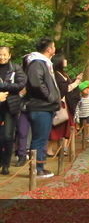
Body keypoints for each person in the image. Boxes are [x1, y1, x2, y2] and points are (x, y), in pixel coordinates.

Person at [23, 38, 60, 178]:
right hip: (40, 107)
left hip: (44, 107)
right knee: (39, 139)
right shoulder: (37, 63)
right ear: (49, 49)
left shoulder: (44, 63)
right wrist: (50, 97)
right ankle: (37, 169)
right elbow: (36, 83)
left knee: (42, 138)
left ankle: (39, 166)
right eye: (54, 46)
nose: (55, 49)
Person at [0, 45, 27, 175]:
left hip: (10, 107)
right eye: (0, 54)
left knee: (8, 136)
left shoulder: (16, 68)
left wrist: (4, 86)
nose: (2, 57)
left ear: (9, 55)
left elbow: (21, 84)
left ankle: (5, 164)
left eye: (4, 54)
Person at [49, 55, 81, 155]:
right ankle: (50, 150)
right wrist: (76, 82)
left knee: (64, 128)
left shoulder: (62, 74)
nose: (66, 60)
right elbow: (64, 89)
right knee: (58, 128)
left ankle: (61, 148)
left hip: (66, 104)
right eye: (64, 59)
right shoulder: (56, 75)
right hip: (60, 105)